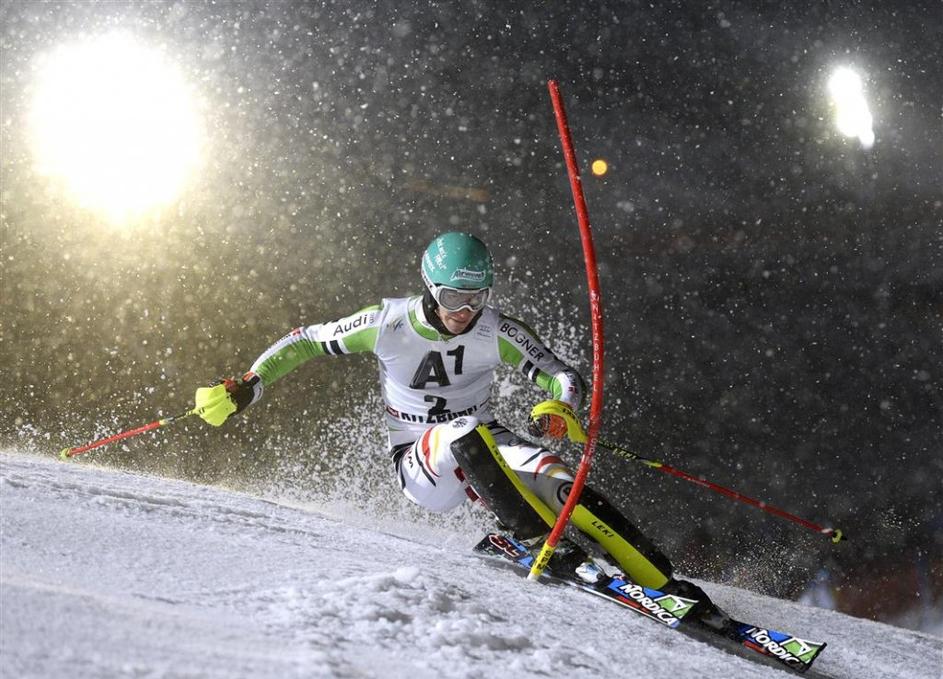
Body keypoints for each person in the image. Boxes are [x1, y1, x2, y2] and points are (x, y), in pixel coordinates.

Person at [195, 231, 726, 626]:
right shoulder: (387, 322)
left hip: (485, 441)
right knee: (460, 429)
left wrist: (560, 406)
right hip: (419, 464)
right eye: (453, 298)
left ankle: (664, 580)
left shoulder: (494, 329)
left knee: (560, 481)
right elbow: (306, 340)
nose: (465, 312)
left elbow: (562, 375)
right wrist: (250, 384)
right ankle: (539, 540)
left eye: (477, 298)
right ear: (430, 288)